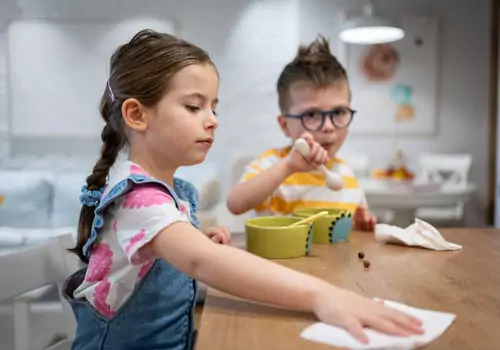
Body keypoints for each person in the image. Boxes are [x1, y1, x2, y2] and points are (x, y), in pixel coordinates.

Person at [63, 30, 422, 350]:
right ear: (137, 115)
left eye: (214, 108)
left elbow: (175, 253)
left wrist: (197, 237)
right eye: (193, 106)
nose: (212, 120)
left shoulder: (167, 191)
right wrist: (322, 295)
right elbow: (202, 260)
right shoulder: (138, 196)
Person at [227, 36, 376, 231]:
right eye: (312, 114)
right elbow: (235, 204)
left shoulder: (346, 174)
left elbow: (345, 230)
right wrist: (288, 166)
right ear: (285, 125)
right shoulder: (273, 164)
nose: (329, 126)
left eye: (339, 112)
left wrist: (362, 223)